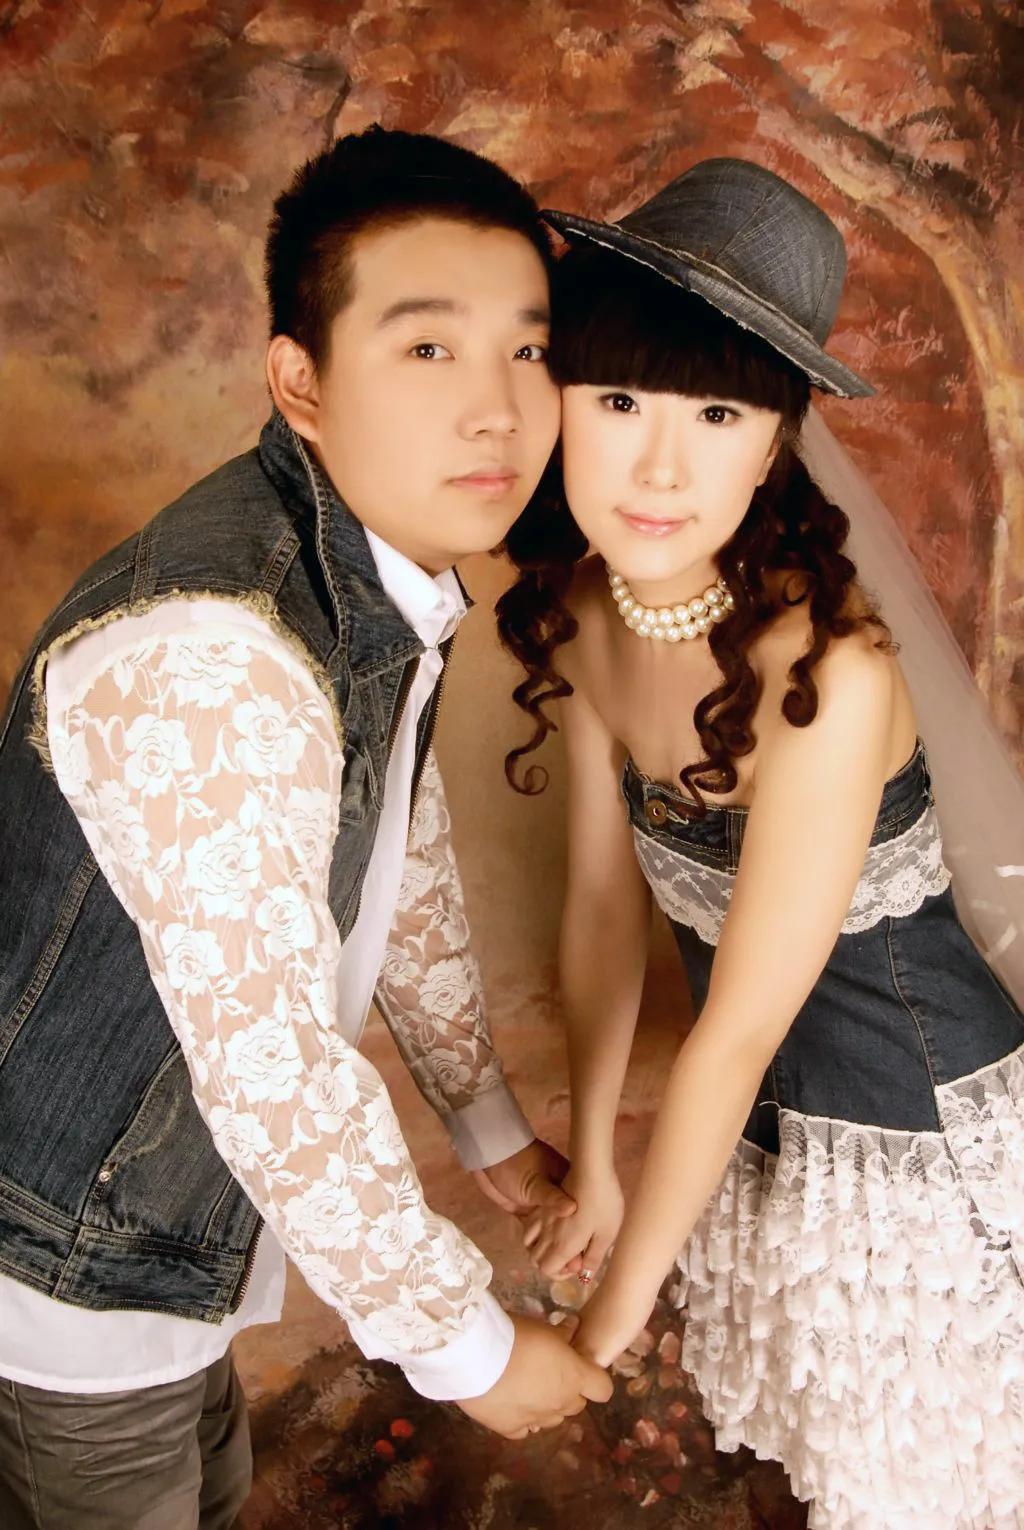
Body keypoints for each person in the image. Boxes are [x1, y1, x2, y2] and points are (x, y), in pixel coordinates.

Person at [0, 125, 611, 1530]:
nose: (499, 411)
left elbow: (402, 851)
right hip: (66, 1282)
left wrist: (491, 1130)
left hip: (164, 1253)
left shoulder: (361, 576)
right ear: (301, 380)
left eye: (529, 350)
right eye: (427, 348)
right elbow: (271, 1067)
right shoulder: (215, 647)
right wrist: (467, 1345)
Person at [497, 157, 1024, 1528]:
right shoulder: (585, 613)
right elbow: (602, 911)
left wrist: (609, 1321)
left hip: (921, 1155)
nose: (659, 466)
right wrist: (595, 1160)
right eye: (618, 401)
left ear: (777, 440)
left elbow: (734, 1031)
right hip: (763, 1145)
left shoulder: (829, 677)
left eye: (718, 413)